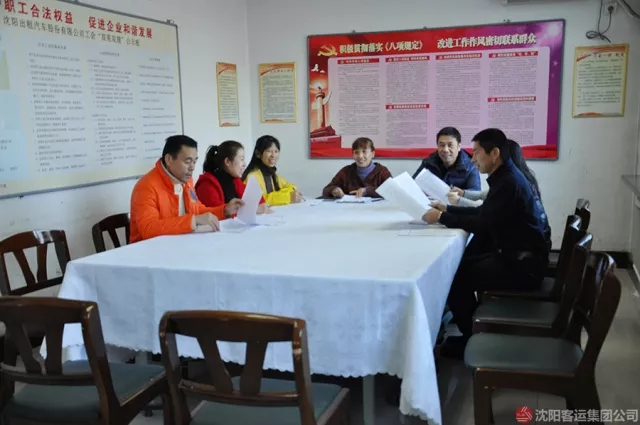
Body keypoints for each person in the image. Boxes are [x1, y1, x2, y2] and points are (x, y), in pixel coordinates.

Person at [422, 129, 550, 358]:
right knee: (463, 264)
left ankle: (472, 338)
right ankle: (474, 330)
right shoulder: (505, 177)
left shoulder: (509, 182)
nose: (473, 159)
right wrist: (447, 209)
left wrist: (442, 217)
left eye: (477, 152)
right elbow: (484, 213)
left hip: (523, 267)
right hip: (516, 256)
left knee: (454, 277)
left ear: (494, 153)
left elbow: (482, 224)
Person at [129, 135, 244, 243]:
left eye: (194, 162)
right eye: (187, 162)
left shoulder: (186, 180)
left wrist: (224, 210)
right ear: (169, 159)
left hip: (179, 243)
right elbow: (149, 229)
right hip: (149, 250)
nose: (192, 167)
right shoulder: (146, 187)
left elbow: (196, 209)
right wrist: (193, 220)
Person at [195, 141, 272, 214]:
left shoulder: (235, 180)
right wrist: (254, 209)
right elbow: (219, 214)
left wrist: (258, 206)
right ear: (227, 161)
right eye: (241, 159)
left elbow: (257, 199)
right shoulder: (207, 185)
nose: (244, 164)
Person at [411, 126, 481, 191]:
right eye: (442, 145)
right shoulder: (428, 162)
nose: (445, 150)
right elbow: (413, 184)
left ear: (459, 147)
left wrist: (458, 195)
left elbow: (475, 192)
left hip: (457, 200)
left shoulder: (470, 166)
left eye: (450, 145)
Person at [241, 135, 303, 206]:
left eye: (276, 151)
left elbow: (293, 187)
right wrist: (287, 196)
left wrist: (280, 195)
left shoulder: (272, 174)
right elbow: (258, 200)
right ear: (258, 154)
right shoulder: (252, 176)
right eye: (269, 151)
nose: (273, 155)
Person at [321, 137, 392, 198]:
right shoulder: (346, 171)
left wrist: (367, 191)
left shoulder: (382, 171)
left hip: (375, 209)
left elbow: (391, 191)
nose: (360, 156)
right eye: (356, 152)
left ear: (373, 154)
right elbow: (325, 190)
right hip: (349, 209)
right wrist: (333, 190)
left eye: (364, 151)